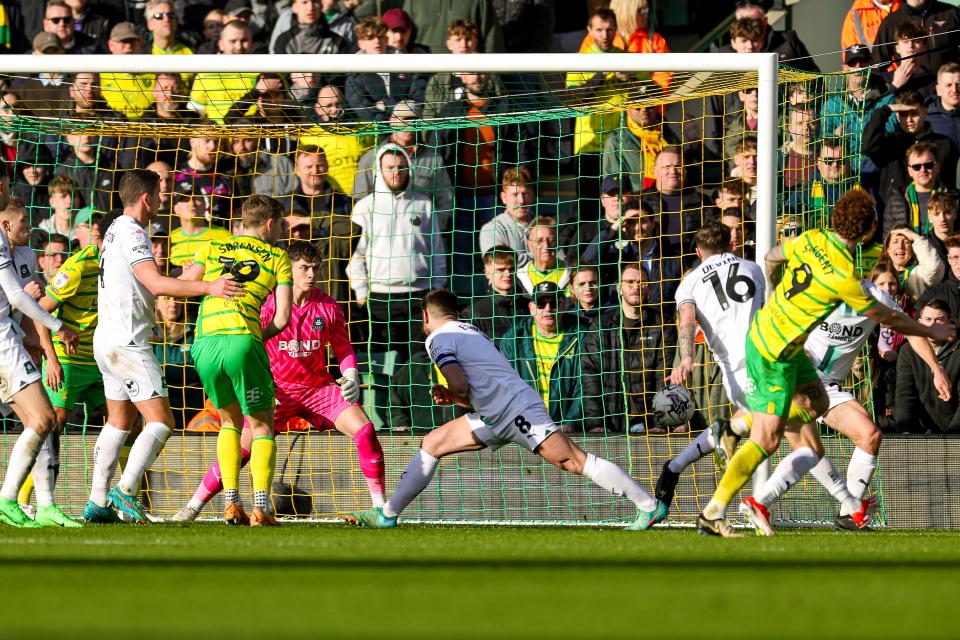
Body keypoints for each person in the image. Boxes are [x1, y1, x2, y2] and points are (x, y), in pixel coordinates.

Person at [697, 189, 956, 537]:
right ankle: (714, 510)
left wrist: (777, 295)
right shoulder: (845, 280)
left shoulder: (811, 237)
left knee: (815, 420)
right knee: (768, 441)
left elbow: (772, 257)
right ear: (866, 232)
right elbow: (892, 321)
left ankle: (845, 505)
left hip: (782, 343)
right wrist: (929, 328)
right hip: (775, 352)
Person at [343, 288, 665, 530]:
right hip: (495, 414)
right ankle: (387, 514)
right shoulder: (470, 331)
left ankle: (648, 505)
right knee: (432, 443)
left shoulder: (438, 339)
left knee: (574, 461)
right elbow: (475, 389)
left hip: (516, 412)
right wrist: (455, 397)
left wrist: (452, 391)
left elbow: (461, 383)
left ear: (426, 317)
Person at [172, 240, 386, 521]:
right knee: (241, 450)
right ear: (289, 269)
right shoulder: (264, 303)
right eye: (304, 268)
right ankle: (192, 506)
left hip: (318, 389)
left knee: (366, 431)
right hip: (276, 390)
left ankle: (382, 508)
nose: (311, 275)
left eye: (315, 269)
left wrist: (350, 374)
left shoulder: (329, 306)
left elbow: (343, 348)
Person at [83, 169, 241, 524]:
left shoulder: (113, 230)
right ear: (146, 198)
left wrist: (189, 277)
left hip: (106, 338)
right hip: (128, 342)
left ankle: (96, 501)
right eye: (160, 193)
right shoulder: (134, 231)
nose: (163, 200)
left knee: (119, 421)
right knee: (161, 421)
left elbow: (147, 283)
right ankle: (125, 491)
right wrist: (209, 287)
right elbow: (156, 286)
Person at [740, 274, 950, 535]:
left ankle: (845, 514)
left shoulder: (877, 300)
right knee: (806, 447)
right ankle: (764, 502)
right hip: (795, 374)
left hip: (827, 386)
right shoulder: (817, 290)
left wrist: (936, 369)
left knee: (869, 435)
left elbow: (911, 331)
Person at [179, 194, 291, 526]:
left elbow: (183, 285)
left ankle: (230, 504)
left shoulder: (213, 246)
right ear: (270, 224)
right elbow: (283, 318)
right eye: (282, 224)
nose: (283, 230)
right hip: (243, 342)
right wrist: (255, 337)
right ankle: (261, 509)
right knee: (261, 425)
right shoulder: (277, 257)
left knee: (228, 423)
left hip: (204, 343)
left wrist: (204, 284)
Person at [657, 223, 764, 510]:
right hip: (764, 359)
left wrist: (688, 359)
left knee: (776, 425)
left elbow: (687, 322)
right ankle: (847, 504)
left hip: (736, 369)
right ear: (731, 243)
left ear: (697, 251)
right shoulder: (754, 269)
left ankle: (677, 466)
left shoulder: (689, 282)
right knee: (783, 427)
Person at [0, 169, 80, 528]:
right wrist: (59, 326)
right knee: (43, 419)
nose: (28, 227)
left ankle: (46, 505)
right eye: (21, 222)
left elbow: (24, 304)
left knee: (42, 419)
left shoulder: (27, 255)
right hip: (2, 341)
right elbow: (17, 296)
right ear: (5, 225)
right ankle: (7, 499)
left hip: (11, 338)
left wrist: (41, 346)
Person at [347, 144, 447, 357]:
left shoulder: (423, 203)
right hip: (379, 298)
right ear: (379, 170)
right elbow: (355, 255)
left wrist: (436, 287)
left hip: (419, 295)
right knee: (384, 360)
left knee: (419, 360)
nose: (396, 172)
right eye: (390, 167)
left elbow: (437, 249)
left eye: (401, 167)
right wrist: (361, 291)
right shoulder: (365, 207)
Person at [581, 263, 665, 434]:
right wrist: (596, 423)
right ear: (619, 288)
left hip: (647, 422)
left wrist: (660, 423)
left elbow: (663, 376)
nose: (636, 287)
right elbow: (590, 377)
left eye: (642, 282)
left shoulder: (662, 325)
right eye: (630, 282)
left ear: (649, 289)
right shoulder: (600, 326)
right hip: (609, 423)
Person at [500, 281, 583, 432]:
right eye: (541, 304)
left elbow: (585, 386)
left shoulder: (581, 335)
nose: (548, 309)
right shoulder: (514, 338)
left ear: (563, 305)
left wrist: (571, 422)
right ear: (531, 308)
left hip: (568, 428)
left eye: (554, 304)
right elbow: (504, 385)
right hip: (526, 427)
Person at [863, 93, 958, 214]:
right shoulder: (890, 143)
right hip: (895, 213)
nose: (909, 120)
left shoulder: (944, 144)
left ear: (925, 111)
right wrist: (885, 110)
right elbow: (867, 146)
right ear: (897, 116)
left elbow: (950, 182)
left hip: (936, 213)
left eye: (914, 114)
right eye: (903, 114)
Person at [894, 298, 960, 432]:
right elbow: (905, 396)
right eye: (928, 319)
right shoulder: (907, 351)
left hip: (955, 431)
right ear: (919, 322)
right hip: (921, 432)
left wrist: (953, 437)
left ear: (949, 323)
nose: (932, 325)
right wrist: (905, 431)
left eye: (939, 320)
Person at [188, 21, 258, 122]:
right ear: (221, 44)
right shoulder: (206, 72)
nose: (239, 46)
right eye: (233, 41)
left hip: (254, 135)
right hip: (217, 136)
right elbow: (196, 112)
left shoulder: (262, 72)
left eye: (244, 40)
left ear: (252, 42)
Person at [601, 105, 681, 194]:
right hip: (640, 203)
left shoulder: (666, 132)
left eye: (650, 106)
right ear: (627, 109)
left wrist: (694, 142)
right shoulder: (617, 140)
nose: (644, 110)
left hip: (674, 198)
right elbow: (613, 184)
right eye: (638, 107)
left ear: (656, 108)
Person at [872, 0, 960, 73]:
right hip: (912, 90)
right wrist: (892, 85)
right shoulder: (891, 22)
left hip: (949, 89)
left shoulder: (951, 13)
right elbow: (876, 65)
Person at [466, 246, 528, 346]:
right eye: (501, 270)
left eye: (511, 269)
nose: (508, 274)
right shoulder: (474, 313)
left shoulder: (530, 307)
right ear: (487, 273)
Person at [478, 166, 537, 265]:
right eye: (515, 195)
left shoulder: (543, 225)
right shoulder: (492, 229)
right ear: (504, 197)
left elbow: (560, 258)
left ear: (533, 196)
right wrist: (541, 256)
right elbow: (500, 262)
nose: (521, 201)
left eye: (525, 194)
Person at [168, 192, 230, 268]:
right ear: (175, 208)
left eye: (196, 198)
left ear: (205, 205)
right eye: (185, 199)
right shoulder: (169, 238)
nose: (192, 203)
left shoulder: (224, 234)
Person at [882, 225, 945, 298]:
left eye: (906, 242)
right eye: (895, 242)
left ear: (913, 249)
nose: (900, 246)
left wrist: (916, 238)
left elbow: (934, 267)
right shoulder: (880, 273)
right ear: (888, 249)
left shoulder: (919, 274)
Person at [516, 216, 569, 295]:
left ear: (558, 242)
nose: (546, 245)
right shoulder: (519, 277)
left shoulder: (571, 274)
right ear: (530, 245)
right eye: (539, 241)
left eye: (551, 240)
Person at [273, 0, 346, 55]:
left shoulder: (337, 42)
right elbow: (279, 74)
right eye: (305, 2)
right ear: (294, 7)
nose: (310, 8)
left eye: (315, 1)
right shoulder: (283, 41)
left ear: (321, 6)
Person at [35, 175, 79, 245]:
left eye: (74, 196)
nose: (70, 201)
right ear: (52, 202)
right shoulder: (40, 234)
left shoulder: (88, 232)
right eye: (63, 196)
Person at [926, 62, 960, 151]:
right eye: (949, 85)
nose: (954, 90)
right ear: (938, 90)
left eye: (958, 84)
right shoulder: (927, 120)